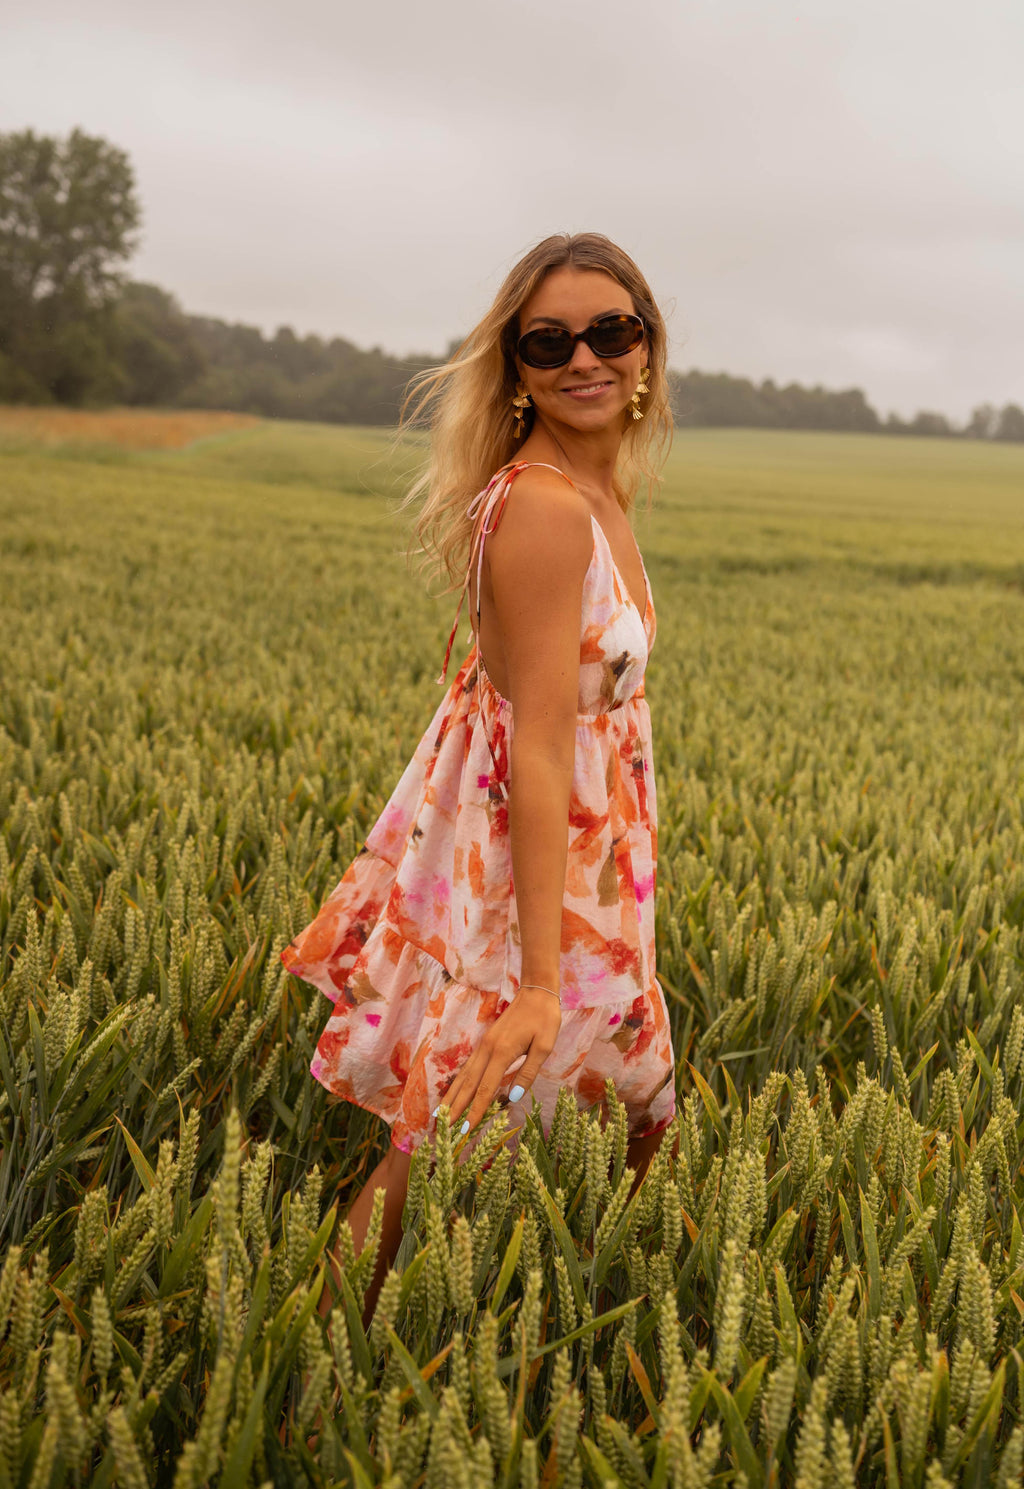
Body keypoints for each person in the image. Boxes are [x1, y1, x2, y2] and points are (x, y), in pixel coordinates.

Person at [281, 231, 679, 1326]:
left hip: (591, 875)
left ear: (646, 348)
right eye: (548, 340)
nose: (583, 356)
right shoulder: (547, 509)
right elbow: (540, 741)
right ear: (514, 364)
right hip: (540, 893)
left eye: (611, 330)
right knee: (454, 1136)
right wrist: (539, 981)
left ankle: (541, 1333)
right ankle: (297, 1363)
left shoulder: (593, 492)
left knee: (592, 1120)